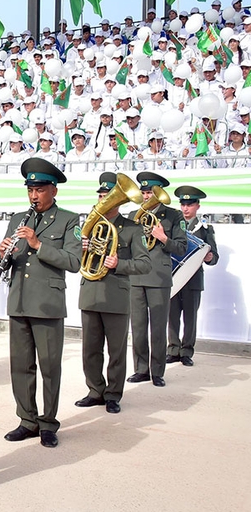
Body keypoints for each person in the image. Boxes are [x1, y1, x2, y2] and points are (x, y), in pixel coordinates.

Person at [0, 158, 81, 449]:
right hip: (19, 301)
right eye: (30, 190)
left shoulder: (69, 220)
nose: (34, 195)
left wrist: (38, 245)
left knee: (49, 367)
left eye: (40, 190)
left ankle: (48, 423)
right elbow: (4, 260)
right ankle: (27, 420)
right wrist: (1, 254)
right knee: (20, 366)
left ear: (53, 190)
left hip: (47, 304)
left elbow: (74, 261)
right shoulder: (18, 218)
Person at [75, 173, 151, 414]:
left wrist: (119, 264)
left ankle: (113, 394)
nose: (103, 200)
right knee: (90, 350)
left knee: (116, 351)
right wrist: (79, 249)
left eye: (108, 196)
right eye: (100, 196)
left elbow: (145, 264)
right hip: (90, 294)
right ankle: (95, 391)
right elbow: (71, 260)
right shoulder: (86, 227)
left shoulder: (132, 228)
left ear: (119, 201)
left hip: (116, 296)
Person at [128, 172, 187, 388]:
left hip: (159, 277)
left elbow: (181, 247)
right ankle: (141, 369)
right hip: (136, 277)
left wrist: (163, 238)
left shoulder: (173, 216)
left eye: (150, 193)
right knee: (138, 327)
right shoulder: (133, 214)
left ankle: (157, 371)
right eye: (144, 192)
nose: (146, 196)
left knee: (158, 328)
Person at [168, 186, 218, 366]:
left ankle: (186, 351)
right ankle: (173, 349)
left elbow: (214, 256)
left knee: (190, 318)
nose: (185, 208)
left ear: (197, 206)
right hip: (174, 277)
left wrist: (210, 257)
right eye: (183, 204)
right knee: (172, 316)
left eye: (189, 205)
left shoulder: (204, 228)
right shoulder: (173, 225)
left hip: (193, 280)